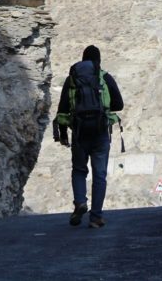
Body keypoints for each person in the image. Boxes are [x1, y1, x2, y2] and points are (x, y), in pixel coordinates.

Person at [53, 44, 124, 228]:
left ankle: (80, 202)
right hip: (100, 132)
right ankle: (96, 217)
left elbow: (62, 109)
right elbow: (119, 104)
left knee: (79, 170)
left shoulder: (73, 79)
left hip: (79, 131)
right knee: (99, 174)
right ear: (98, 61)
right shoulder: (104, 76)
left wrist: (63, 134)